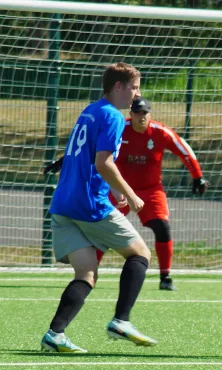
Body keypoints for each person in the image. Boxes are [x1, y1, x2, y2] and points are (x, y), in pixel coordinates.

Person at [41, 62, 157, 353]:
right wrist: (130, 195)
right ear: (118, 86)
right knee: (141, 253)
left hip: (63, 203)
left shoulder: (90, 110)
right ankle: (121, 320)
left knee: (86, 273)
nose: (136, 93)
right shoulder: (114, 117)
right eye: (134, 87)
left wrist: (114, 190)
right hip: (87, 204)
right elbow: (103, 162)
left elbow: (85, 160)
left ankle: (55, 334)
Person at [45, 97, 209, 291]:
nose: (142, 117)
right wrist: (65, 160)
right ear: (130, 114)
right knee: (99, 228)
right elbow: (92, 146)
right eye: (137, 113)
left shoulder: (160, 132)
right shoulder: (120, 127)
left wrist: (198, 176)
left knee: (162, 227)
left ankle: (166, 276)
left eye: (145, 113)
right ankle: (89, 274)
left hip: (151, 190)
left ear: (150, 114)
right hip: (118, 187)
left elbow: (185, 150)